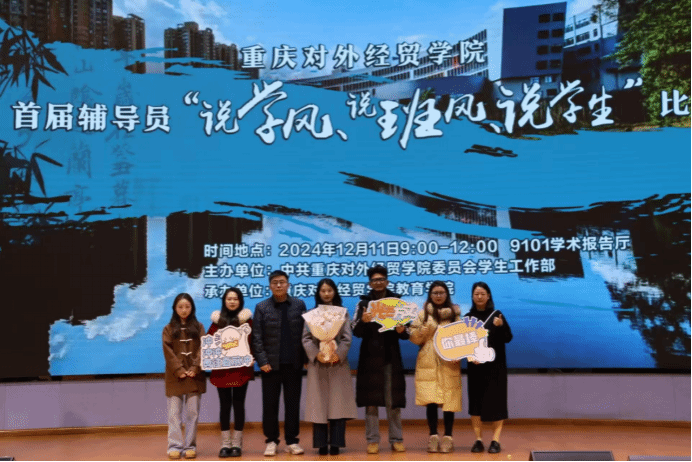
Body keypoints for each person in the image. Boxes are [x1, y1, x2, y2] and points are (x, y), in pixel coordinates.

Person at [351, 265, 409, 454]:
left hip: (391, 357)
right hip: (369, 358)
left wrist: (402, 330)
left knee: (393, 401)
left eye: (381, 279)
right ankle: (372, 440)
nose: (378, 283)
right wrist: (364, 322)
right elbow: (355, 331)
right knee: (371, 401)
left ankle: (396, 439)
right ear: (370, 283)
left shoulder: (397, 302)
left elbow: (407, 331)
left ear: (387, 281)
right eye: (374, 280)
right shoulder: (363, 303)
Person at [252, 270, 307, 456]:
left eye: (282, 282)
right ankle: (271, 440)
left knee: (293, 405)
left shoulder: (299, 305)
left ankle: (292, 441)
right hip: (270, 366)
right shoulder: (262, 307)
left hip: (294, 364)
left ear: (288, 285)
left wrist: (305, 359)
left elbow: (306, 334)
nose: (278, 285)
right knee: (270, 405)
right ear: (270, 286)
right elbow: (257, 337)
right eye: (275, 282)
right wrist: (262, 360)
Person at [301, 278, 358, 455]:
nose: (326, 294)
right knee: (318, 405)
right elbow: (306, 338)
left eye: (329, 290)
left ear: (334, 292)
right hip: (318, 364)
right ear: (318, 293)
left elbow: (347, 338)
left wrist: (338, 354)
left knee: (337, 405)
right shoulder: (311, 314)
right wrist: (316, 353)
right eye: (323, 291)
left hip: (337, 364)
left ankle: (336, 444)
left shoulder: (343, 313)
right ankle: (321, 444)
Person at [409, 281, 462, 453]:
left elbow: (463, 338)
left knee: (449, 401)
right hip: (428, 360)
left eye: (441, 292)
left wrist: (458, 354)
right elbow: (413, 338)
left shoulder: (454, 315)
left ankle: (448, 437)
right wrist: (421, 332)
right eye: (435, 293)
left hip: (449, 361)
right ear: (430, 295)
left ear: (447, 295)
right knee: (430, 400)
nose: (438, 296)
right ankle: (433, 436)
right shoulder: (423, 314)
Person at [465, 282, 513, 454]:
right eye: (476, 294)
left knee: (497, 402)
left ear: (488, 295)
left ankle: (495, 440)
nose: (479, 297)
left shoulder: (497, 315)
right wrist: (471, 357)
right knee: (476, 403)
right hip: (475, 368)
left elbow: (508, 338)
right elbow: (464, 344)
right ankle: (478, 440)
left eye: (482, 294)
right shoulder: (467, 318)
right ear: (472, 296)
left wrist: (500, 326)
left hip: (495, 367)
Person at [207, 288, 254, 458]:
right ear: (224, 301)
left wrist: (252, 357)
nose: (232, 302)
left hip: (241, 369)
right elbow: (209, 343)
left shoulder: (247, 322)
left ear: (240, 301)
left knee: (239, 405)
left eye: (235, 299)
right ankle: (225, 444)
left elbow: (254, 342)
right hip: (222, 370)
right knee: (225, 406)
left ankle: (237, 444)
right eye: (229, 299)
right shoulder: (216, 322)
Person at [162, 293, 206, 460]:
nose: (184, 310)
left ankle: (190, 446)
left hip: (195, 375)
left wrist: (195, 367)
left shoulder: (199, 327)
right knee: (174, 414)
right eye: (180, 307)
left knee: (192, 413)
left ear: (192, 308)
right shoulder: (168, 328)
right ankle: (174, 446)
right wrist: (179, 369)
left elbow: (204, 348)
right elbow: (168, 352)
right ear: (175, 308)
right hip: (175, 377)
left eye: (187, 306)